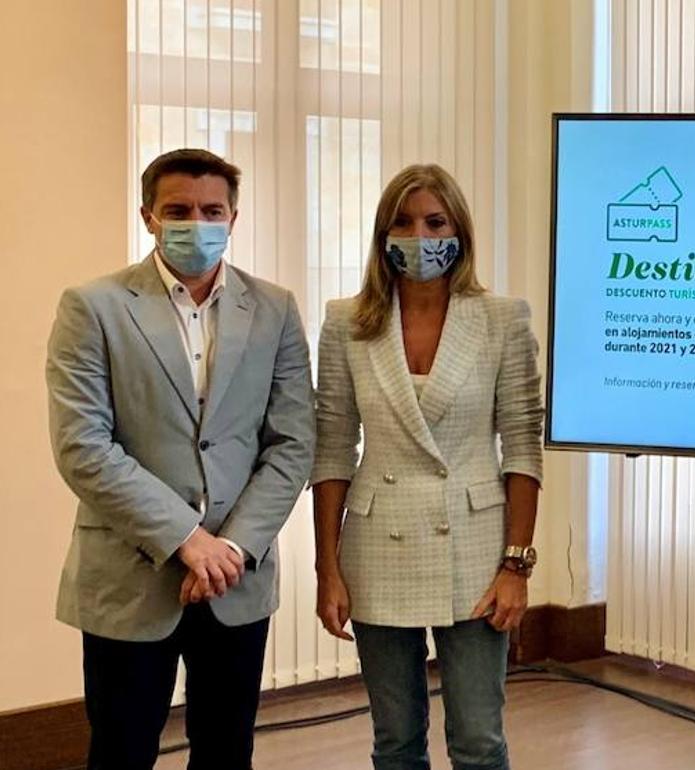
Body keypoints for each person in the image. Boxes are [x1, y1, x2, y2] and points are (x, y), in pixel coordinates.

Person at [46, 148, 315, 770]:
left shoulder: (274, 309)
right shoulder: (93, 306)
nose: (197, 223)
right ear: (148, 216)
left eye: (212, 211)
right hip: (130, 576)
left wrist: (232, 548)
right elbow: (83, 446)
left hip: (237, 577)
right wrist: (188, 540)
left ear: (233, 218)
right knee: (121, 751)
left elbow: (293, 442)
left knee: (227, 752)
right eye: (178, 210)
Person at [311, 163, 543, 770]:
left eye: (435, 223)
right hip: (376, 548)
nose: (420, 237)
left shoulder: (501, 319)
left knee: (478, 741)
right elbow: (332, 448)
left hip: (475, 550)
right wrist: (326, 567)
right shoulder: (346, 322)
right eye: (404, 223)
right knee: (395, 742)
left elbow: (523, 445)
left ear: (459, 230)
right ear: (382, 234)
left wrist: (516, 565)